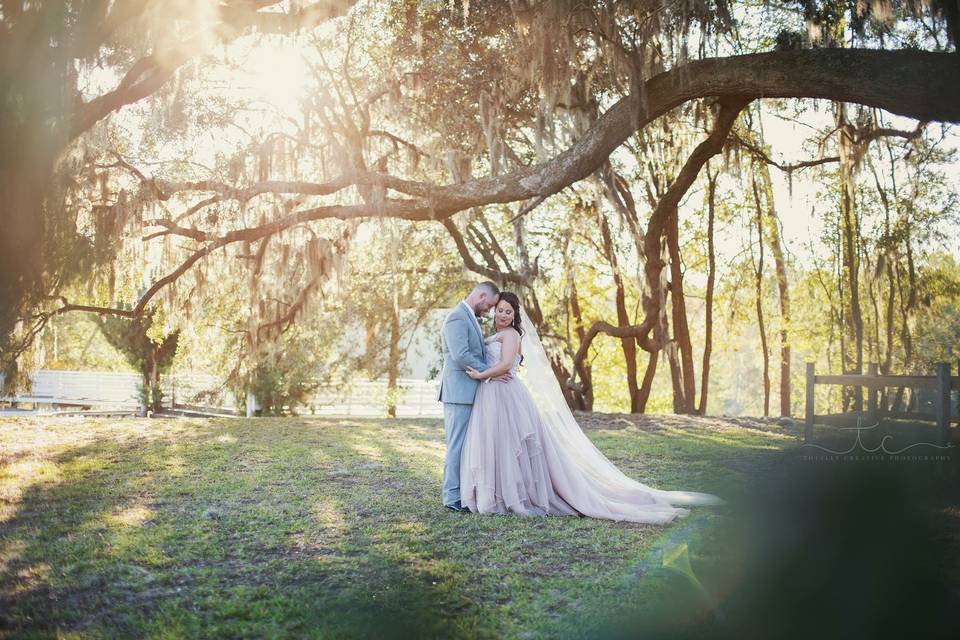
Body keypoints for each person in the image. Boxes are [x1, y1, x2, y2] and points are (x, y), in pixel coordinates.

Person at [459, 291, 725, 524]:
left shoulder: (512, 335)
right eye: (501, 310)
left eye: (508, 311)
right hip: (494, 395)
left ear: (515, 315)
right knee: (498, 445)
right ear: (495, 310)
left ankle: (515, 496)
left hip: (506, 395)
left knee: (511, 446)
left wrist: (482, 375)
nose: (503, 315)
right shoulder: (497, 333)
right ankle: (499, 495)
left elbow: (506, 366)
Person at [436, 281, 508, 512]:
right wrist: (489, 374)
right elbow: (461, 355)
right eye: (490, 305)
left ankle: (464, 493)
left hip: (470, 391)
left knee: (467, 446)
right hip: (459, 393)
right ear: (481, 295)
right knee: (456, 446)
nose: (489, 310)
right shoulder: (457, 317)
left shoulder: (469, 317)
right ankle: (451, 498)